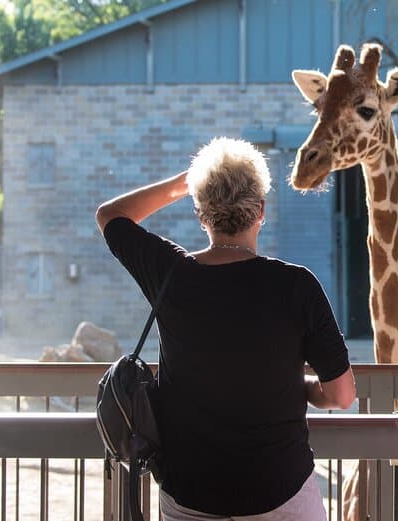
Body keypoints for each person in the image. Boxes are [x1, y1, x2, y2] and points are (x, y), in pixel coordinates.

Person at [96, 137, 356, 521]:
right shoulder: (297, 286)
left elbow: (110, 215)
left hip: (190, 492)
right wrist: (301, 388)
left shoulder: (170, 273)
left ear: (201, 214)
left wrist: (186, 183)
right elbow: (342, 395)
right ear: (261, 210)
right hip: (279, 489)